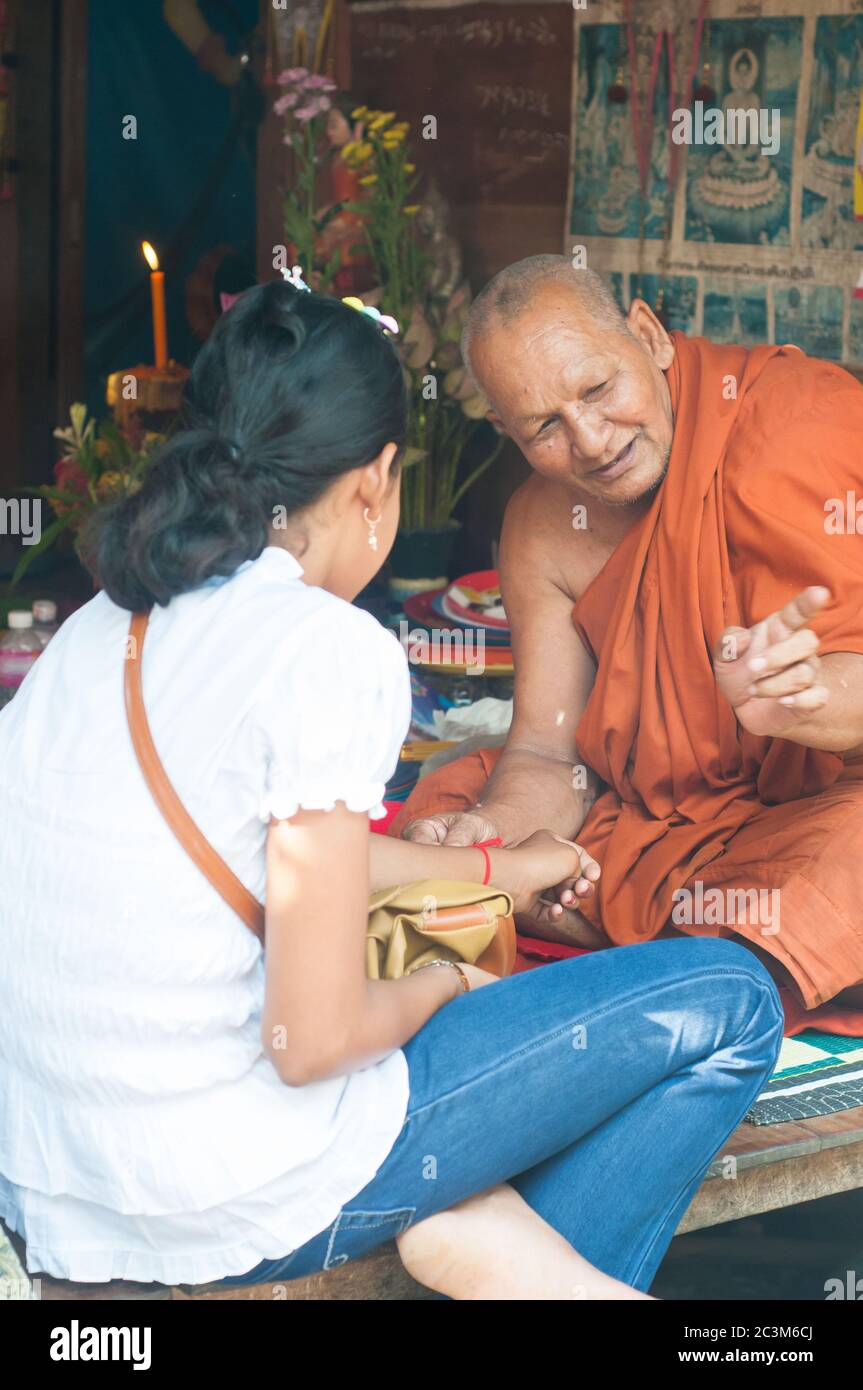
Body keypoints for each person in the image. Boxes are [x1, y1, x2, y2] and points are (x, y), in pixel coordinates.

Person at [0, 281, 784, 1299]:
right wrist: (450, 987)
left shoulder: (102, 625)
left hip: (55, 1189)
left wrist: (494, 869)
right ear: (376, 479)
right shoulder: (324, 648)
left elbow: (275, 855)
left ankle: (492, 1232)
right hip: (231, 1193)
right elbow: (315, 1041)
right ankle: (501, 1242)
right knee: (729, 998)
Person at [395, 254, 863, 1015]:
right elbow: (547, 751)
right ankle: (716, 959)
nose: (588, 440)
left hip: (829, 806)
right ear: (503, 430)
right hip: (664, 821)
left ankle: (659, 958)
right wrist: (492, 831)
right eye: (543, 426)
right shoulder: (542, 525)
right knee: (449, 796)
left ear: (647, 336)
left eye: (596, 389)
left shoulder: (801, 419)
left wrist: (805, 701)